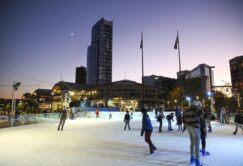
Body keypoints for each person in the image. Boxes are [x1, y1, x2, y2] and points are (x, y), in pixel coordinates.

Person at [183, 101, 203, 166]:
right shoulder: (197, 109)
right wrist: (200, 108)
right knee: (197, 145)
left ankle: (192, 158)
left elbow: (184, 119)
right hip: (196, 128)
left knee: (192, 143)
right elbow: (202, 116)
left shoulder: (186, 110)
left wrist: (186, 126)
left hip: (189, 128)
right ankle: (197, 162)